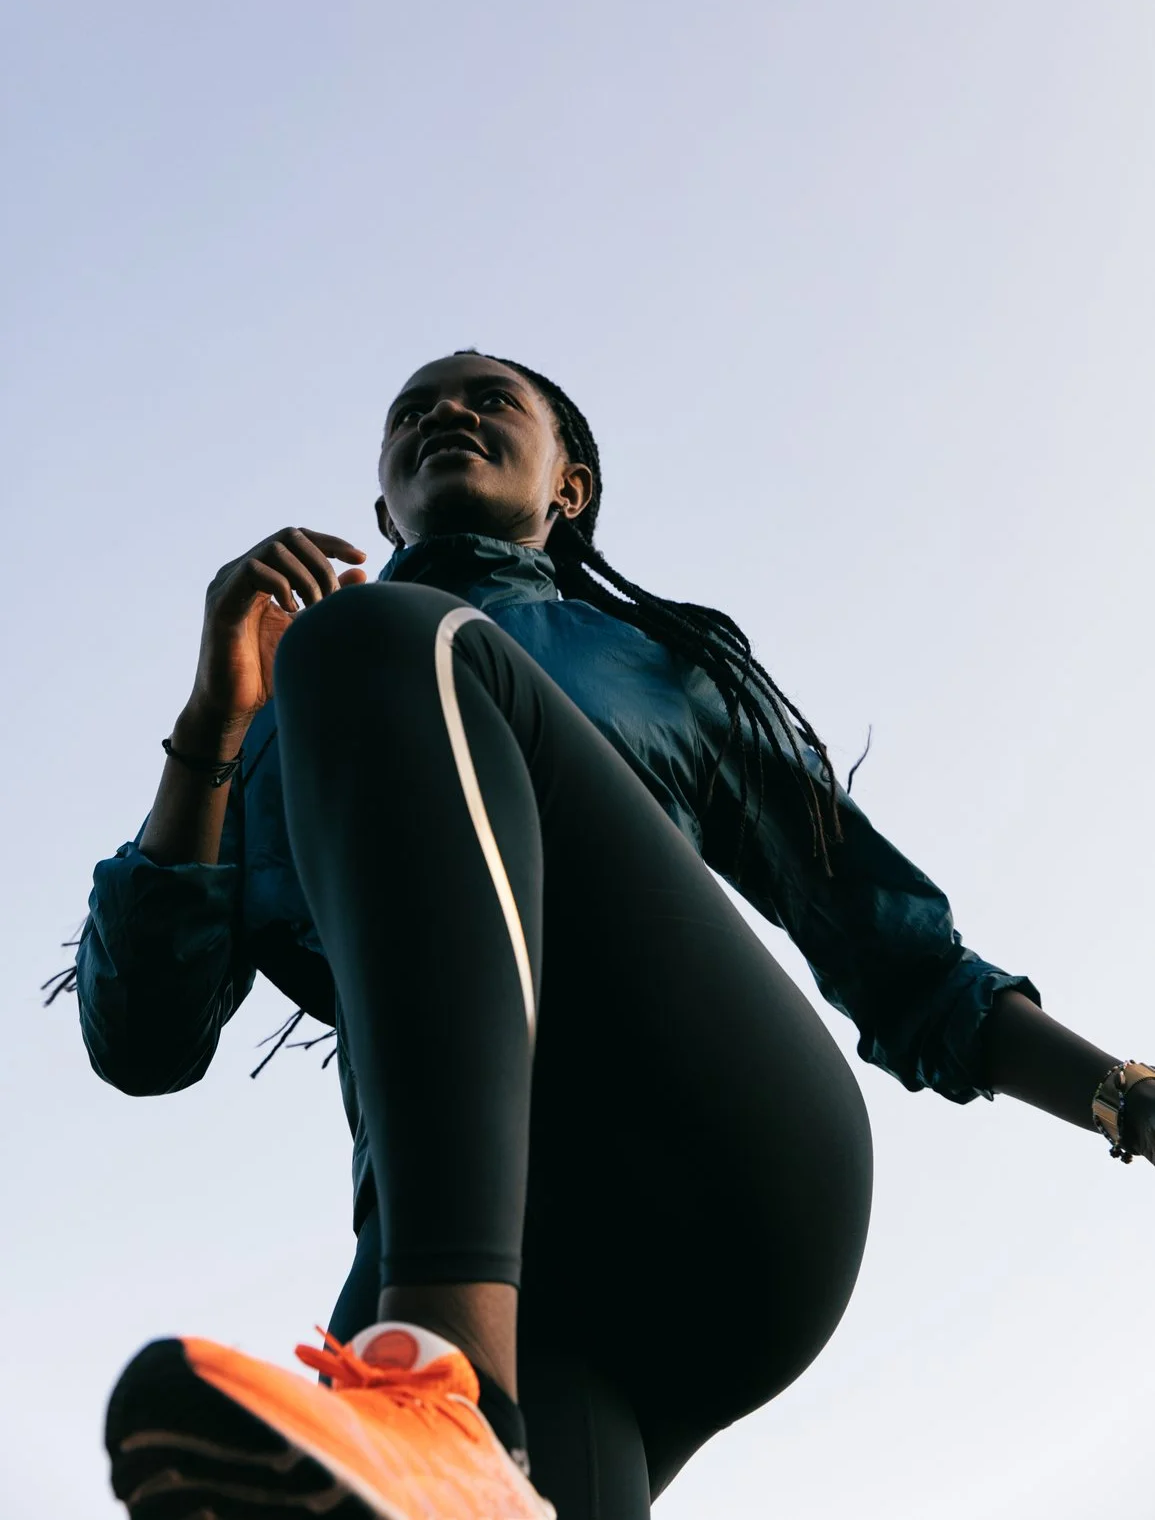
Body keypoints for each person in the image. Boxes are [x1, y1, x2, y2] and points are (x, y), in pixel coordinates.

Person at [69, 349, 1155, 1520]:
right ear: (379, 504)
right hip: (501, 1262)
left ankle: (449, 1386)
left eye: (490, 402)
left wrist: (1127, 1098)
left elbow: (909, 967)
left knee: (385, 640)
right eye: (412, 413)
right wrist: (216, 717)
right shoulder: (286, 716)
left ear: (568, 489)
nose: (446, 416)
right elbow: (144, 1042)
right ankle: (463, 1427)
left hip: (727, 1158)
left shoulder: (658, 669)